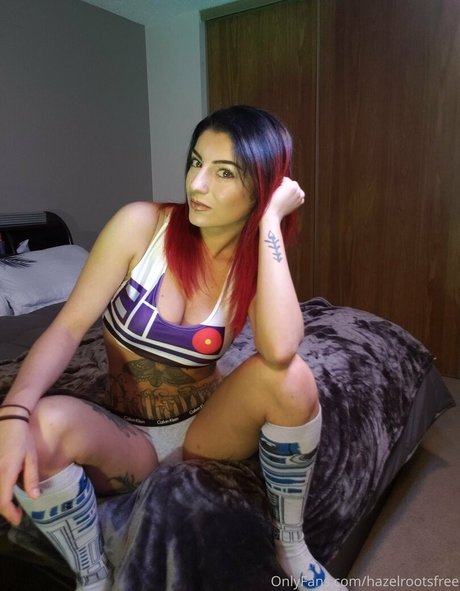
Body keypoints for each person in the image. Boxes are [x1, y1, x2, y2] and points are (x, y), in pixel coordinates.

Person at [0, 105, 345, 590]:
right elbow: (67, 328)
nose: (197, 184)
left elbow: (282, 348)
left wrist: (269, 221)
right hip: (129, 436)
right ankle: (91, 576)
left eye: (224, 173)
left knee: (291, 378)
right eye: (196, 162)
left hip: (205, 428)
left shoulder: (253, 261)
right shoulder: (142, 225)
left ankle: (291, 546)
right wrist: (14, 410)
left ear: (261, 188)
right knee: (40, 426)